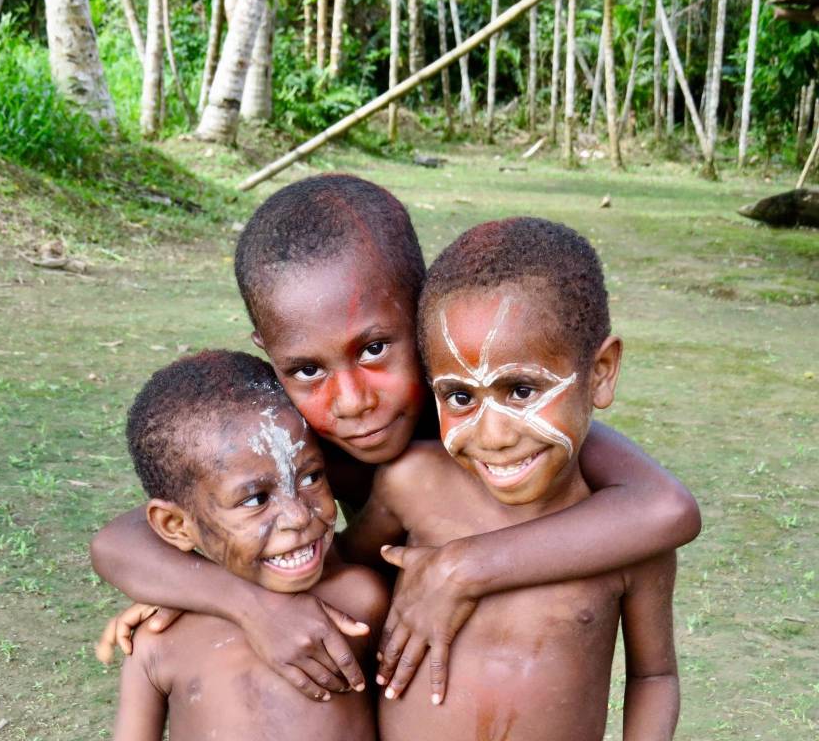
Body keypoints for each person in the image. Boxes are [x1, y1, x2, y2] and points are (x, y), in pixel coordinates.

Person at [91, 175, 699, 705]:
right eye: (307, 370)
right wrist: (240, 601)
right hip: (369, 658)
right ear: (269, 353)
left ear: (423, 315)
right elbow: (122, 541)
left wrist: (462, 570)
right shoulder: (289, 444)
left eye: (375, 348)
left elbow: (665, 508)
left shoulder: (485, 423)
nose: (352, 401)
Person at [341, 217, 680, 740]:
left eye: (522, 390)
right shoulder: (411, 486)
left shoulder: (627, 540)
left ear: (601, 372)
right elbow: (341, 577)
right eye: (460, 397)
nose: (494, 435)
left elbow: (654, 675)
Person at [114, 350, 387, 741]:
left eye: (310, 477)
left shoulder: (360, 602)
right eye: (256, 500)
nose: (298, 516)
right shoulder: (158, 639)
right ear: (176, 525)